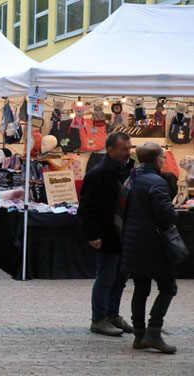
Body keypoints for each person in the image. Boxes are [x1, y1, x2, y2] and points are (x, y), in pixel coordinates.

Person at [121, 142, 180, 354]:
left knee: (141, 289)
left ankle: (139, 335)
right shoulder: (157, 181)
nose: (164, 161)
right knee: (168, 288)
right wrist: (175, 213)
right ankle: (154, 333)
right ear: (158, 159)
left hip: (133, 242)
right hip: (155, 245)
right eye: (163, 158)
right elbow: (166, 214)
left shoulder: (131, 178)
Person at [78, 132, 134, 337]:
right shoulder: (97, 174)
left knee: (120, 278)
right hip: (106, 234)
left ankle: (113, 314)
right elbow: (86, 208)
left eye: (129, 148)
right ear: (110, 150)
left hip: (123, 235)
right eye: (124, 149)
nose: (128, 152)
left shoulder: (125, 170)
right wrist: (92, 235)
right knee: (106, 277)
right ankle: (98, 319)